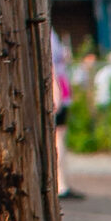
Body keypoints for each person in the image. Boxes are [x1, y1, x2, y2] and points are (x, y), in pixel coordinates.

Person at [49, 28, 80, 201]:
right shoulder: (48, 32)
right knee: (58, 139)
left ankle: (61, 182)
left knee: (59, 138)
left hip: (60, 88)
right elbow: (50, 63)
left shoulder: (51, 31)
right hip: (58, 89)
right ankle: (60, 183)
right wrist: (56, 93)